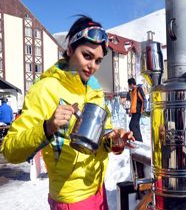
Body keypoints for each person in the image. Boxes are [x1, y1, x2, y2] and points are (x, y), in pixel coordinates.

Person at [1, 15, 135, 210]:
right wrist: (47, 127)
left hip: (99, 191)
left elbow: (101, 136)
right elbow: (10, 150)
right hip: (71, 200)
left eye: (98, 61)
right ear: (70, 49)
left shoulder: (94, 90)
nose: (92, 67)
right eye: (87, 56)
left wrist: (114, 140)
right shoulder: (45, 89)